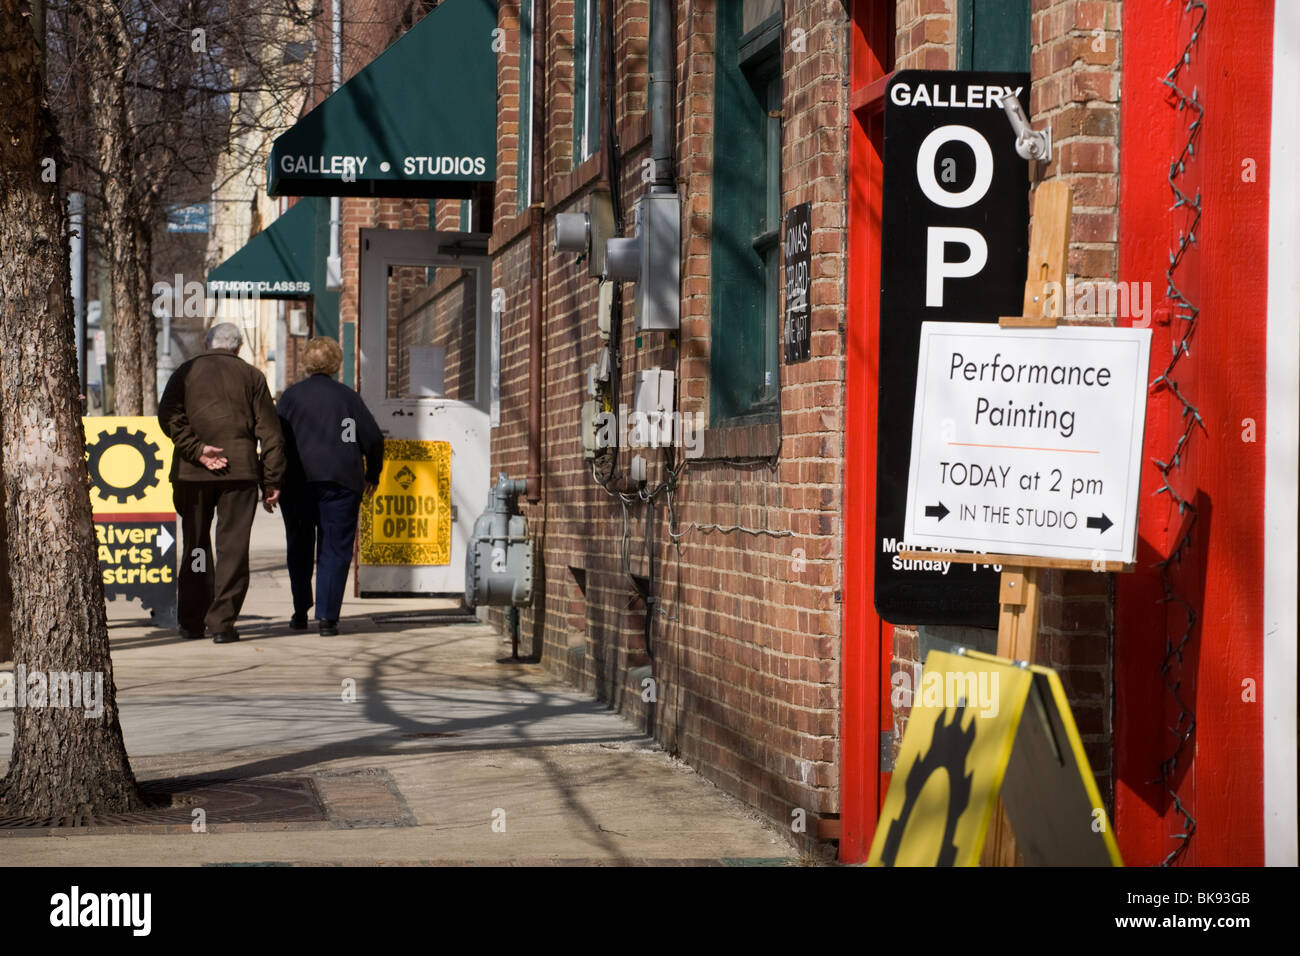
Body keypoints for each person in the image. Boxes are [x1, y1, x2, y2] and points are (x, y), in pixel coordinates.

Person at [158, 322, 285, 643]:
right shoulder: (253, 377)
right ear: (238, 347)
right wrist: (272, 478)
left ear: (206, 343)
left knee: (196, 544)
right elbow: (270, 432)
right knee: (232, 549)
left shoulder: (185, 372)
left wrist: (197, 450)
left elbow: (168, 416)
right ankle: (222, 623)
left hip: (192, 473)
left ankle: (191, 620)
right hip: (240, 472)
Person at [275, 337, 383, 636]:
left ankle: (300, 610)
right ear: (335, 364)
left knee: (299, 546)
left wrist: (271, 480)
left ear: (305, 363)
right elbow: (372, 438)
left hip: (297, 482)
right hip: (341, 480)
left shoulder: (290, 398)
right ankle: (328, 617)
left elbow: (275, 441)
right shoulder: (348, 397)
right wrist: (372, 473)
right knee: (335, 549)